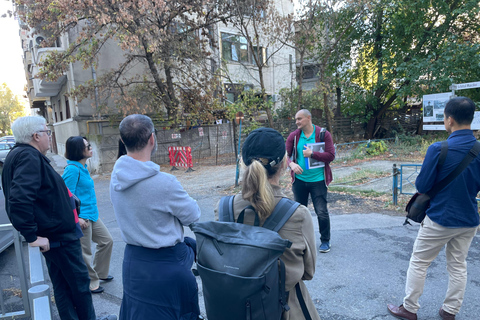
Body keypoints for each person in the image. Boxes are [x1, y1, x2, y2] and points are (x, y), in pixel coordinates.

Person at [1, 116, 116, 320]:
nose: (49, 136)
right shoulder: (28, 157)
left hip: (55, 235)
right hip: (59, 237)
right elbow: (19, 199)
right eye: (47, 132)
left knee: (63, 285)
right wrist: (32, 236)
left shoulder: (20, 154)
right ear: (36, 136)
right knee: (79, 285)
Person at [388, 97, 480, 320]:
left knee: (419, 262)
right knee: (458, 265)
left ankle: (409, 308)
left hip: (440, 218)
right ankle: (449, 311)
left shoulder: (439, 149)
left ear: (449, 120)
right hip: (469, 220)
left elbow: (422, 185)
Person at [215, 127, 320, 320]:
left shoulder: (224, 209)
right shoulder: (299, 214)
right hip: (284, 309)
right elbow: (308, 272)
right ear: (283, 164)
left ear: (243, 162)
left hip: (235, 309)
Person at [110, 114, 201, 320]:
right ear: (152, 139)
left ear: (123, 141)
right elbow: (193, 215)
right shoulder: (165, 182)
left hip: (134, 263)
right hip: (167, 266)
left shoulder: (116, 177)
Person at [62, 136, 114, 294]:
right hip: (82, 217)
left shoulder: (82, 168)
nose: (90, 148)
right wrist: (76, 219)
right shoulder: (72, 170)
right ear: (79, 150)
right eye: (87, 146)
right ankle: (91, 282)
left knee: (107, 241)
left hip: (92, 214)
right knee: (85, 252)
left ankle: (99, 273)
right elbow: (64, 195)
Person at [286, 109, 335, 253]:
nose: (297, 122)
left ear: (308, 118)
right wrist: (292, 164)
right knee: (299, 212)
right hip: (299, 181)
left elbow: (331, 155)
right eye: (296, 119)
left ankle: (325, 241)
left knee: (321, 212)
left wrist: (312, 154)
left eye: (299, 119)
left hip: (318, 181)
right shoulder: (294, 136)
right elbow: (285, 155)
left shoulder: (323, 134)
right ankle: (300, 242)